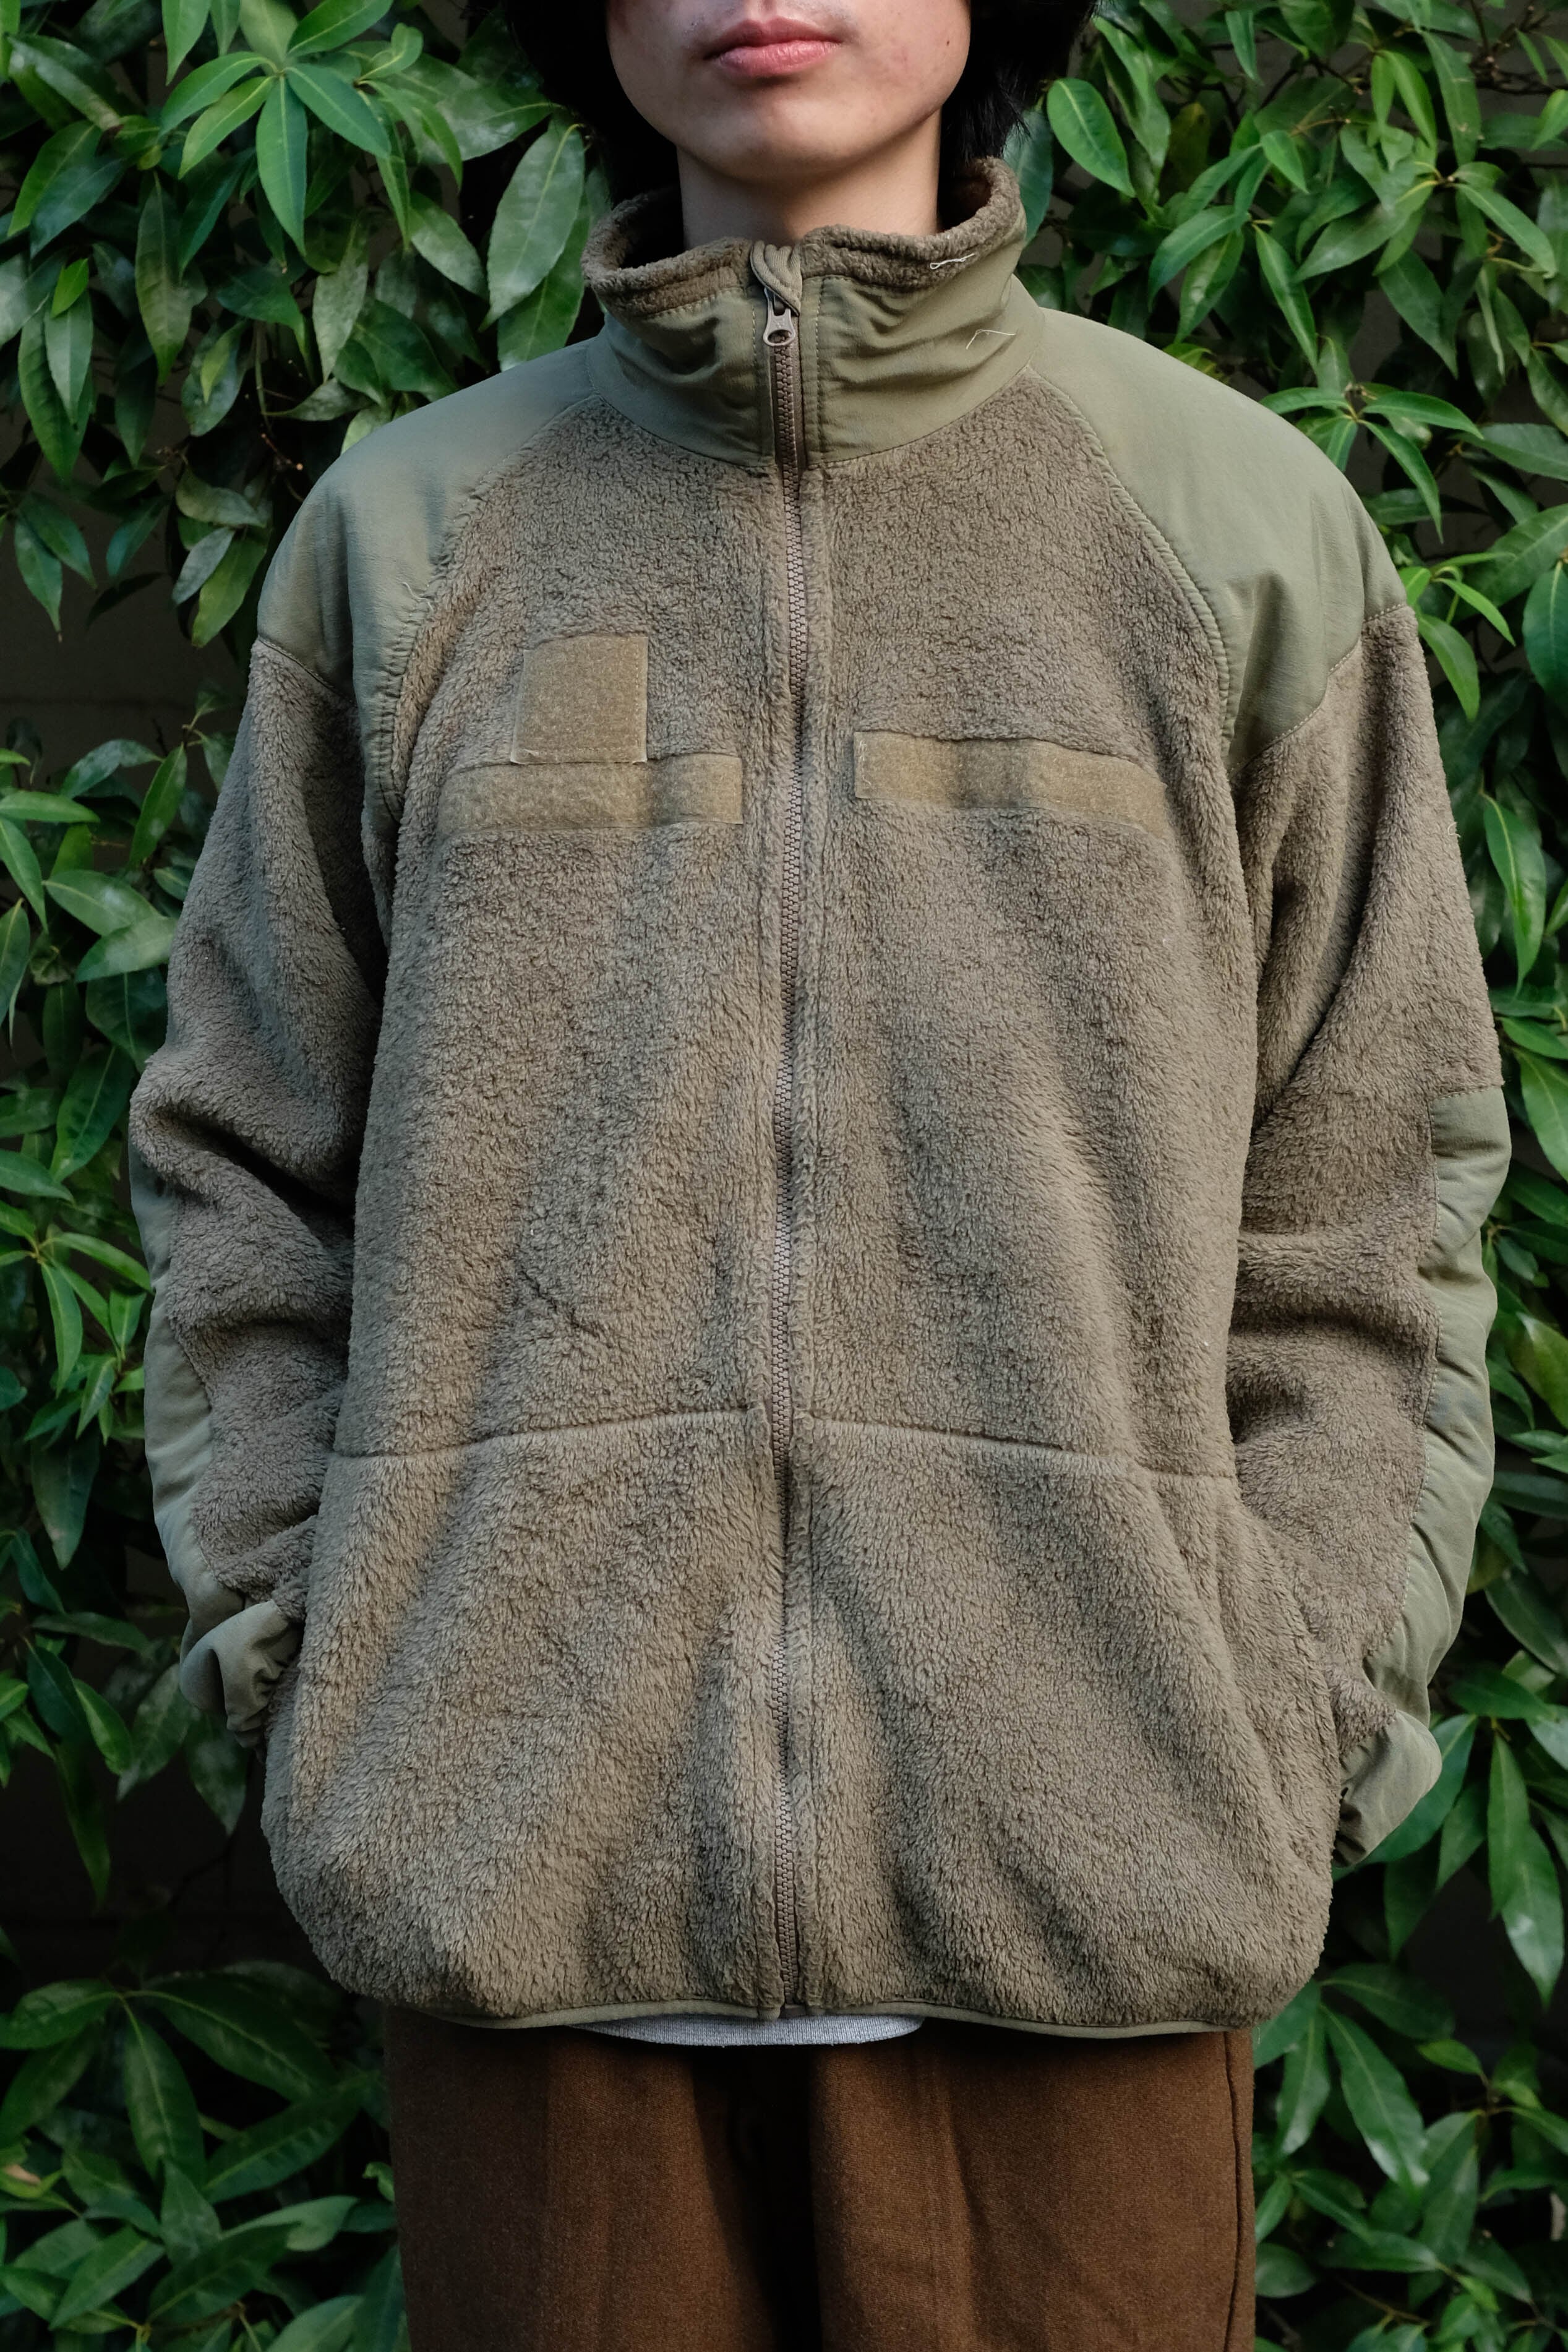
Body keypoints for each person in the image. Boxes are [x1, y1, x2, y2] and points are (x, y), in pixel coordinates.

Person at [125, 0, 1509, 2341]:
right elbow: (243, 1154)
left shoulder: (1235, 525)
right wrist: (331, 1676)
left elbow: (1371, 1188)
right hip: (529, 1926)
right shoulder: (411, 537)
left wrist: (1276, 1716)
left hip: (1095, 1925)